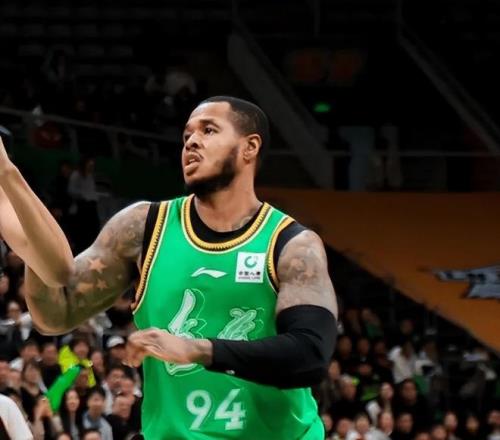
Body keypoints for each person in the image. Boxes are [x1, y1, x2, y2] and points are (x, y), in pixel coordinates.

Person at [5, 96, 338, 439]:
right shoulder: (143, 228)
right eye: (187, 135)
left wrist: (196, 349)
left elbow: (310, 354)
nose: (192, 141)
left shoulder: (291, 244)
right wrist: (23, 223)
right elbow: (56, 314)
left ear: (249, 147)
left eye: (209, 130)